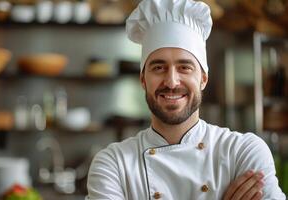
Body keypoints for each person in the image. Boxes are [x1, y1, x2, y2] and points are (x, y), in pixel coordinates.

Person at [86, 0, 286, 199]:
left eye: (184, 67)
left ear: (203, 79)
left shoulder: (243, 152)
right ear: (143, 80)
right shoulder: (113, 164)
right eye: (158, 67)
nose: (172, 82)